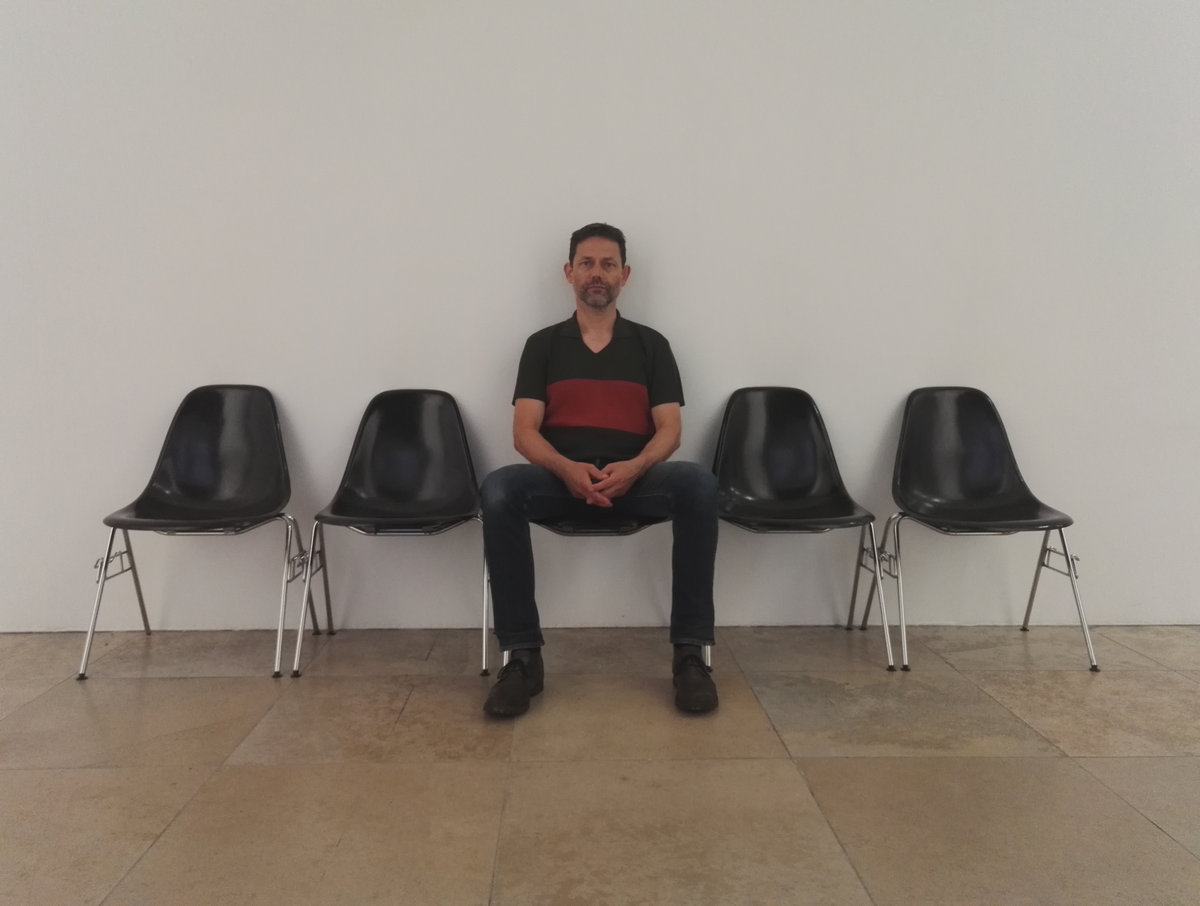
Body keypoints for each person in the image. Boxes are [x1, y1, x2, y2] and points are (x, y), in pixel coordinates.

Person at [481, 223, 719, 718]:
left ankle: (690, 657)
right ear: (568, 272)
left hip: (636, 482)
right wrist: (566, 468)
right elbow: (524, 432)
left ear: (624, 275)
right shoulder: (542, 346)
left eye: (608, 264)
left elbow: (670, 430)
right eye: (586, 263)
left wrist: (636, 466)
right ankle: (522, 658)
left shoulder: (652, 346)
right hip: (559, 481)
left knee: (698, 484)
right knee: (500, 489)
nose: (597, 273)